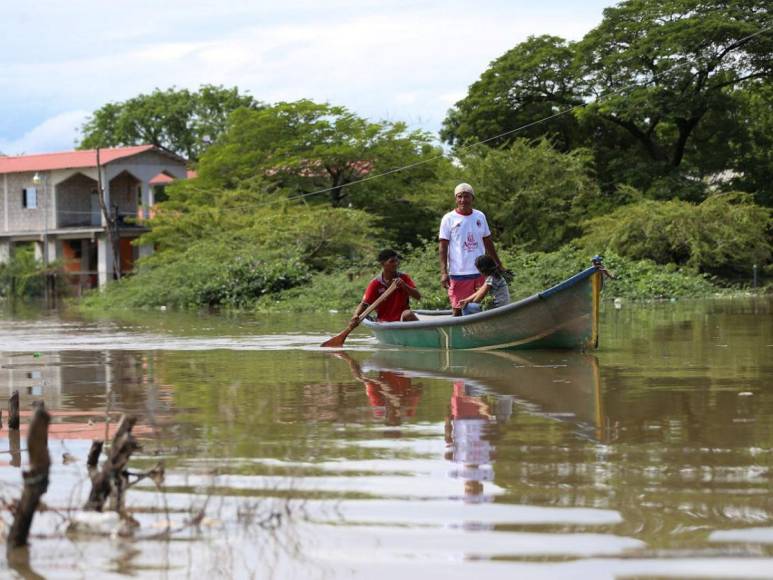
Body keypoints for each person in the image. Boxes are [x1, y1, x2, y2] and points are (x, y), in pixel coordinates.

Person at [439, 182, 505, 316]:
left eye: (466, 196)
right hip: (459, 272)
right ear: (456, 199)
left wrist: (498, 264)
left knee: (481, 308)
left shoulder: (480, 216)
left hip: (481, 272)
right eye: (459, 197)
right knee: (458, 308)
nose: (463, 200)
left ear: (472, 198)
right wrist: (443, 272)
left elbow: (488, 241)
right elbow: (443, 246)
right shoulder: (448, 218)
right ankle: (457, 335)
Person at [350, 249, 421, 327]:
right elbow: (364, 304)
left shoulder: (404, 277)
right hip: (383, 322)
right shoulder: (375, 283)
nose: (396, 264)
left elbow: (418, 296)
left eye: (397, 261)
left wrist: (404, 285)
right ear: (382, 264)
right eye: (392, 261)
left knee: (408, 314)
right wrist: (355, 315)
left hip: (402, 319)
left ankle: (424, 333)